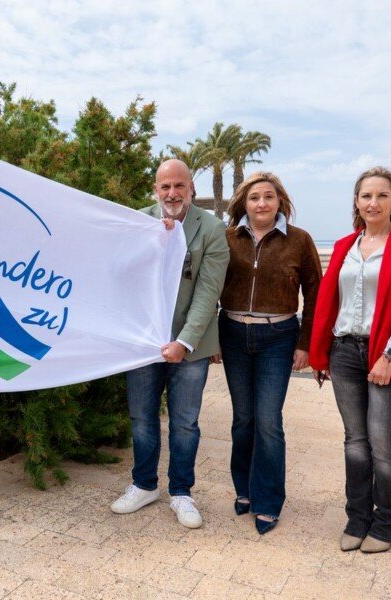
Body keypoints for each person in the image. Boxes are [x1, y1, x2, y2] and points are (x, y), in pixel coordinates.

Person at [309, 166, 391, 553]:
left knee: (382, 442)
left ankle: (386, 523)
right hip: (344, 351)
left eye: (382, 195)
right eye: (366, 195)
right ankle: (357, 518)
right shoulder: (345, 245)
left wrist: (390, 355)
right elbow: (331, 301)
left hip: (389, 355)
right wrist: (321, 353)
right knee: (355, 442)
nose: (373, 202)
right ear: (356, 202)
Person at [110, 159, 229, 529]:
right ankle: (144, 485)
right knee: (141, 418)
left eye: (180, 186)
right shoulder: (139, 222)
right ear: (156, 189)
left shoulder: (211, 228)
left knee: (184, 423)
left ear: (191, 188)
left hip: (190, 345)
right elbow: (119, 272)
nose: (173, 193)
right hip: (144, 343)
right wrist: (153, 243)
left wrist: (184, 341)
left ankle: (181, 492)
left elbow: (208, 293)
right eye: (166, 187)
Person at [217, 172, 322, 534]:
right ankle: (245, 490)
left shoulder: (299, 240)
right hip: (232, 333)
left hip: (278, 337)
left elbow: (315, 292)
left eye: (268, 197)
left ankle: (268, 500)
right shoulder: (228, 238)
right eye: (254, 197)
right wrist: (211, 339)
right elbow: (209, 285)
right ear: (243, 203)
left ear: (280, 202)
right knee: (243, 419)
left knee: (268, 421)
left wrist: (305, 343)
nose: (261, 203)